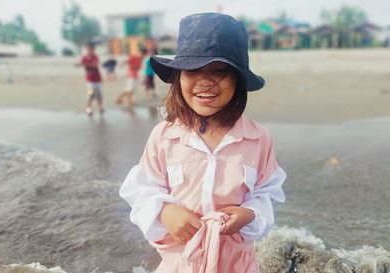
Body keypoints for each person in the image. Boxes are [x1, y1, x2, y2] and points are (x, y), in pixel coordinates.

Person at [119, 13, 286, 273]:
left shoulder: (258, 138)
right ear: (178, 78)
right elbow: (139, 189)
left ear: (238, 79)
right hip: (180, 263)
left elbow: (269, 191)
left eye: (219, 70)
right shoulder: (164, 137)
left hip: (237, 264)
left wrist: (250, 213)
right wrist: (164, 211)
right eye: (193, 70)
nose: (205, 81)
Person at [75, 42, 104, 116]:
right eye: (87, 49)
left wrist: (84, 65)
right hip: (90, 81)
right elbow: (79, 64)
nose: (88, 50)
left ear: (93, 49)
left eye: (90, 49)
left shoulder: (95, 57)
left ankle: (100, 107)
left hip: (97, 81)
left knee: (99, 95)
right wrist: (78, 64)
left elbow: (94, 65)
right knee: (90, 96)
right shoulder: (84, 57)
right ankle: (88, 109)